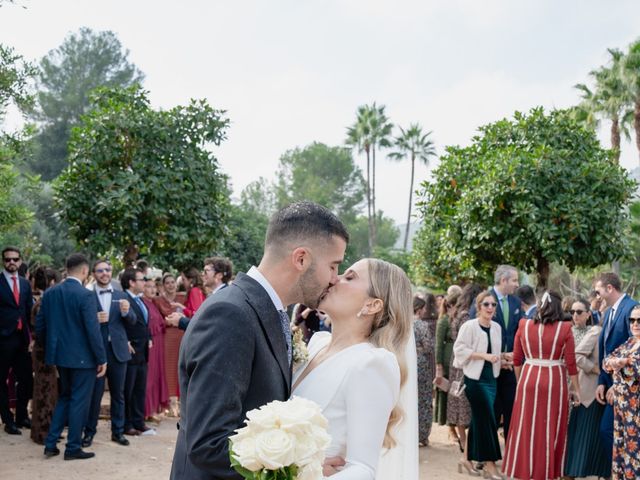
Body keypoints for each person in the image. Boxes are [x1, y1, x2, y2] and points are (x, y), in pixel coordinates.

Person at [170, 201, 349, 480]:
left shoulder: (268, 311)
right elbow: (209, 443)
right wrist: (299, 470)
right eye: (334, 266)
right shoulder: (230, 314)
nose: (335, 279)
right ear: (301, 259)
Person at [292, 258, 415, 479]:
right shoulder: (317, 343)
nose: (334, 279)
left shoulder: (371, 363)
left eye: (349, 277)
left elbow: (362, 469)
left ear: (372, 305)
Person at [35, 253, 107, 460]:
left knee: (65, 397)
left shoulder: (50, 293)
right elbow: (92, 331)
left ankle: (51, 444)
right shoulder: (85, 295)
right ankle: (73, 447)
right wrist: (101, 358)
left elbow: (40, 327)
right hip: (83, 358)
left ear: (67, 269)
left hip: (60, 356)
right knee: (78, 401)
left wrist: (50, 348)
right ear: (85, 271)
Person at [503, 291, 579, 480]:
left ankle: (524, 470)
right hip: (554, 380)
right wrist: (576, 389)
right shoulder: (565, 328)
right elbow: (571, 362)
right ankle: (546, 472)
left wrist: (522, 381)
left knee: (526, 426)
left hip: (528, 378)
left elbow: (517, 359)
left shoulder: (524, 324)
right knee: (550, 426)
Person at [82, 260, 136, 448]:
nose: (104, 273)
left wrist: (127, 312)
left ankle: (118, 432)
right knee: (94, 395)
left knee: (118, 395)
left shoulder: (121, 295)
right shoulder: (87, 296)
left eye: (107, 269)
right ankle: (89, 433)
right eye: (100, 270)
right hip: (97, 353)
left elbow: (132, 321)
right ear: (94, 273)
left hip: (119, 352)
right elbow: (81, 324)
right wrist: (94, 320)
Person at [453, 290, 503, 479]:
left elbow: (495, 352)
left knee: (480, 419)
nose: (490, 308)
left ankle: (465, 459)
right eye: (486, 304)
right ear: (478, 306)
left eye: (493, 305)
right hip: (474, 380)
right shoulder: (469, 326)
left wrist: (503, 358)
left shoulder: (497, 327)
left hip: (492, 379)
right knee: (488, 419)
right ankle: (490, 465)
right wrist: (483, 356)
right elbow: (459, 350)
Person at [469, 264, 521, 439]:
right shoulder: (483, 299)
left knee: (511, 410)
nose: (517, 284)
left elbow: (518, 333)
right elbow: (473, 334)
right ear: (503, 280)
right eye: (514, 280)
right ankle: (483, 457)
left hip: (509, 368)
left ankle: (510, 456)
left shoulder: (515, 302)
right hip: (487, 368)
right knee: (489, 410)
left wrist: (513, 357)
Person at [593, 272, 638, 469]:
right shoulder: (609, 311)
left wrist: (618, 384)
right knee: (612, 433)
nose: (596, 297)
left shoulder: (632, 309)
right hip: (612, 388)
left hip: (630, 393)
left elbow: (635, 348)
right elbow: (607, 352)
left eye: (598, 291)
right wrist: (602, 382)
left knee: (610, 432)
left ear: (609, 288)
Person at [564, 299, 610, 479]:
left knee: (596, 437)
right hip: (588, 394)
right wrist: (598, 371)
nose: (575, 315)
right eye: (572, 311)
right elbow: (577, 357)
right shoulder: (596, 331)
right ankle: (572, 473)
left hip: (603, 393)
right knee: (583, 436)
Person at [603, 304, 640, 480]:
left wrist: (622, 364)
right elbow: (607, 361)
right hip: (621, 408)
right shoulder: (631, 341)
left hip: (636, 409)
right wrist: (618, 362)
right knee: (621, 451)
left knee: (635, 454)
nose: (635, 324)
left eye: (639, 320)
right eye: (631, 320)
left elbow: (635, 371)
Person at [0, 246, 33, 435]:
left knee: (26, 379)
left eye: (14, 259)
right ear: (3, 262)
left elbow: (28, 311)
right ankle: (7, 420)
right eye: (7, 259)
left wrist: (33, 337)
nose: (11, 262)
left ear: (20, 261)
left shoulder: (25, 283)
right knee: (1, 381)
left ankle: (22, 416)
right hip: (2, 340)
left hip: (22, 340)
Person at [447, 283, 483, 457]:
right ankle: (465, 442)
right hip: (466, 361)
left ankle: (463, 440)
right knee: (465, 401)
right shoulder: (468, 317)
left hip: (456, 360)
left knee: (458, 400)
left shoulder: (456, 314)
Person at [29, 266, 61, 444]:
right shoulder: (44, 304)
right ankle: (43, 431)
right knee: (45, 392)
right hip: (44, 352)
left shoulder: (42, 302)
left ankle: (42, 430)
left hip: (42, 350)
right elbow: (43, 331)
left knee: (46, 390)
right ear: (52, 282)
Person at [122, 268, 152, 436]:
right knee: (128, 390)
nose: (145, 282)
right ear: (132, 282)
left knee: (140, 388)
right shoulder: (123, 298)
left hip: (143, 351)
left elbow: (144, 323)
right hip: (130, 351)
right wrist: (124, 340)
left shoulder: (141, 301)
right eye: (141, 279)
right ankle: (127, 424)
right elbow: (116, 322)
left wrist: (149, 338)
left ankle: (139, 422)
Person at [153, 273, 185, 417]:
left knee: (181, 366)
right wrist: (169, 322)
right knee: (168, 370)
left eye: (173, 282)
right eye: (168, 283)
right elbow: (157, 319)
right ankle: (169, 403)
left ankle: (180, 403)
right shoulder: (158, 300)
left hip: (182, 337)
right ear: (163, 285)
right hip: (167, 338)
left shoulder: (183, 297)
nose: (171, 285)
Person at [434, 290, 461, 439]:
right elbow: (438, 344)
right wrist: (439, 366)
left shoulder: (460, 319)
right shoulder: (444, 320)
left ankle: (457, 424)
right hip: (447, 358)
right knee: (447, 393)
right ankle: (451, 428)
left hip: (459, 359)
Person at [142, 278, 169, 419]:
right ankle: (146, 411)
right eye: (148, 287)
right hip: (150, 344)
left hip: (159, 344)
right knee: (149, 378)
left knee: (156, 376)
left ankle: (153, 410)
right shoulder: (142, 303)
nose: (153, 290)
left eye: (154, 287)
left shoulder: (153, 303)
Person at [415, 292, 437, 446]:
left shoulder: (402, 323)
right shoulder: (422, 325)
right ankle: (422, 434)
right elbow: (429, 346)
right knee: (424, 398)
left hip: (405, 363)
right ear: (419, 309)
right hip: (420, 363)